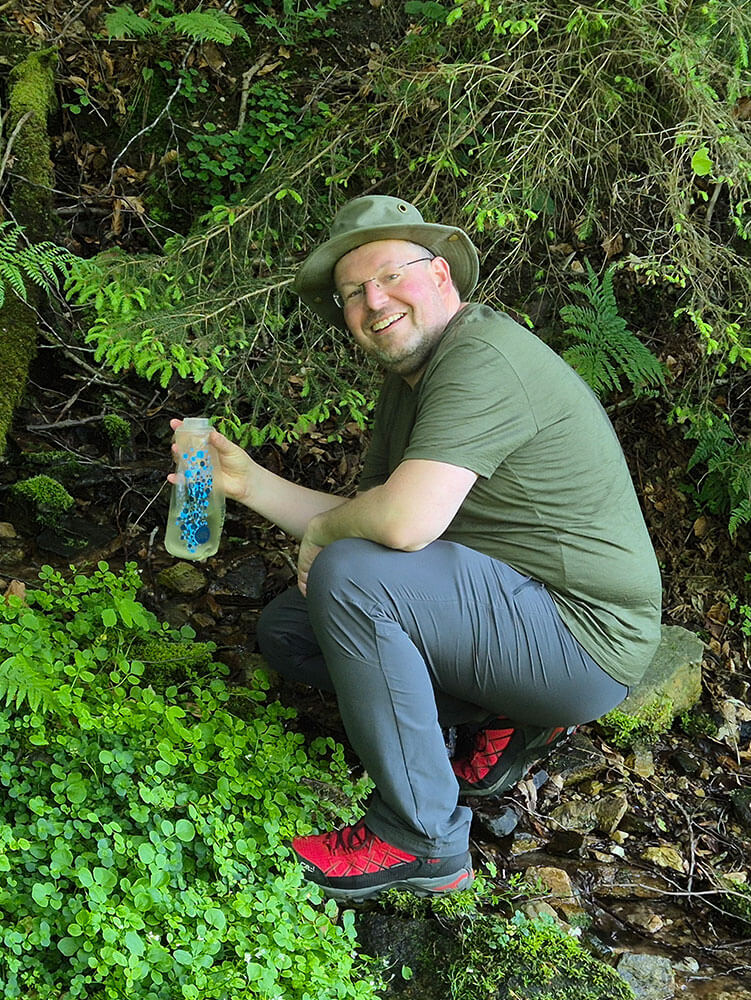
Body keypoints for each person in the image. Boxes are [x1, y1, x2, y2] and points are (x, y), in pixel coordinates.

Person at [169, 195, 662, 903]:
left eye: (390, 275)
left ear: (440, 275)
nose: (374, 301)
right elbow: (372, 518)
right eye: (353, 293)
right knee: (291, 630)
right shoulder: (409, 384)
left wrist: (324, 537)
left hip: (583, 636)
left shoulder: (482, 357)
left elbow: (398, 528)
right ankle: (508, 715)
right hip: (512, 610)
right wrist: (248, 484)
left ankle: (419, 836)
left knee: (351, 581)